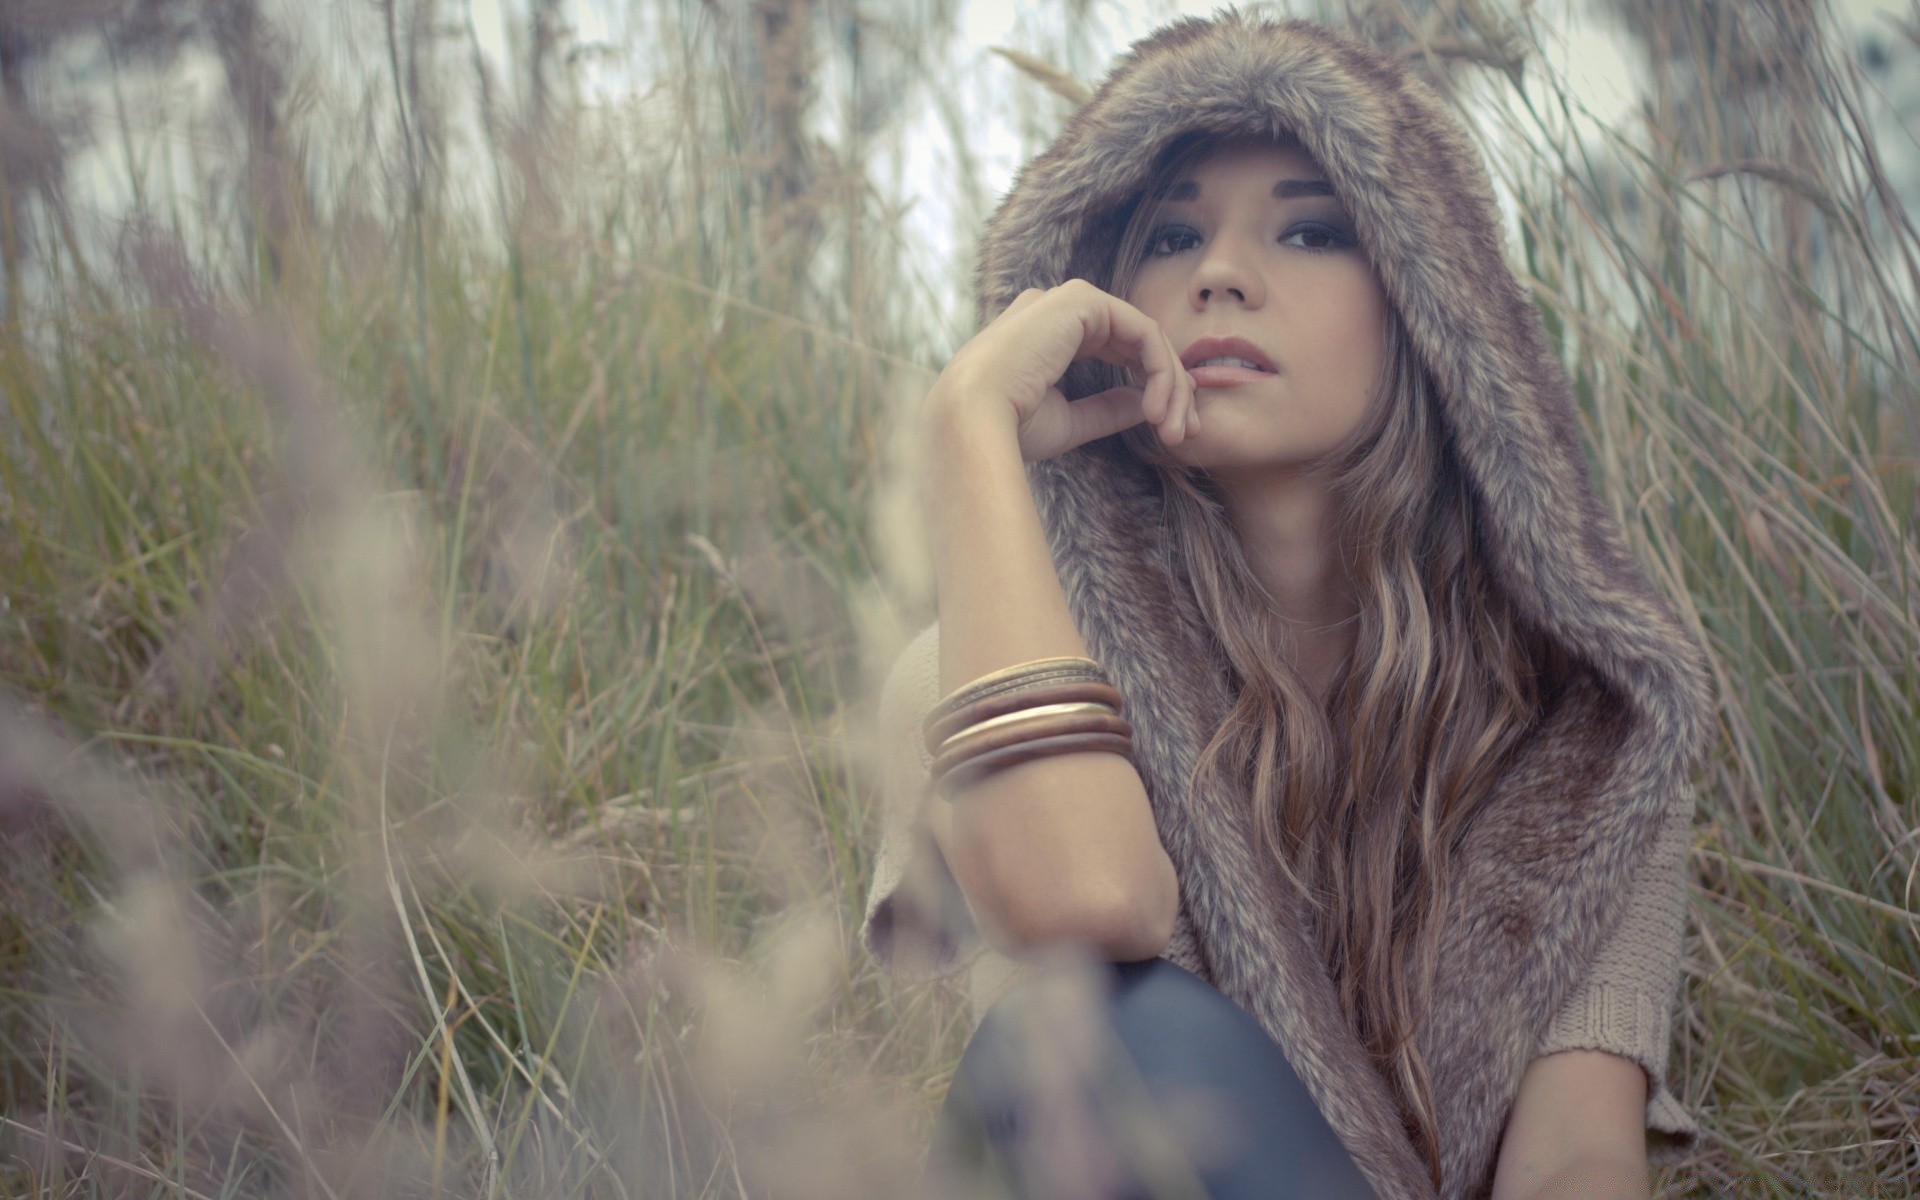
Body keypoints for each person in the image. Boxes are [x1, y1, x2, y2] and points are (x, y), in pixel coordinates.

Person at [860, 13, 1713, 1200]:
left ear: (1433, 305)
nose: (1218, 272)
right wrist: (969, 436)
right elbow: (1085, 912)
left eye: (1312, 228)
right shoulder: (969, 681)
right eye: (1171, 233)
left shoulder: (1590, 726)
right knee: (1110, 1041)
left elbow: (1576, 1157)